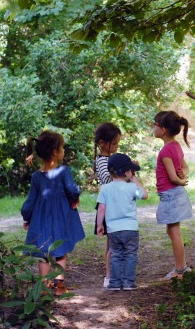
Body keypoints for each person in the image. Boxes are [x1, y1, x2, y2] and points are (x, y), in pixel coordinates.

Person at [21, 130, 85, 296]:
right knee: (60, 251)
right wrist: (75, 196)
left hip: (40, 220)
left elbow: (30, 201)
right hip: (61, 219)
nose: (64, 151)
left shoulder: (36, 176)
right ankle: (59, 286)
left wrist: (26, 217)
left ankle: (44, 286)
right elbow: (72, 189)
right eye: (62, 147)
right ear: (56, 152)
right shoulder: (63, 171)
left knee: (43, 253)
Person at [96, 153, 148, 291]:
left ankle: (114, 282)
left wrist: (99, 225)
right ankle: (128, 282)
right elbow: (145, 195)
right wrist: (134, 179)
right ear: (126, 172)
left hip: (113, 229)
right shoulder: (131, 188)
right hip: (130, 229)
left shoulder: (105, 189)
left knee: (116, 254)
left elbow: (101, 208)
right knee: (130, 254)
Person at [153, 110, 193, 280]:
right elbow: (185, 167)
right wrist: (183, 175)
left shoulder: (166, 151)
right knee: (173, 231)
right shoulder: (175, 146)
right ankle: (181, 267)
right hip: (174, 194)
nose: (153, 128)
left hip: (171, 194)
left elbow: (173, 177)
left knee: (174, 232)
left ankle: (180, 270)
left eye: (155, 125)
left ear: (163, 129)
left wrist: (181, 180)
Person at [93, 122, 122, 288]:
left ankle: (112, 273)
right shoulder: (103, 161)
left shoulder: (110, 159)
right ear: (102, 143)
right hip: (110, 205)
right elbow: (109, 180)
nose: (116, 146)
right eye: (114, 143)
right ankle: (109, 276)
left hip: (115, 204)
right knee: (112, 243)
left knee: (113, 242)